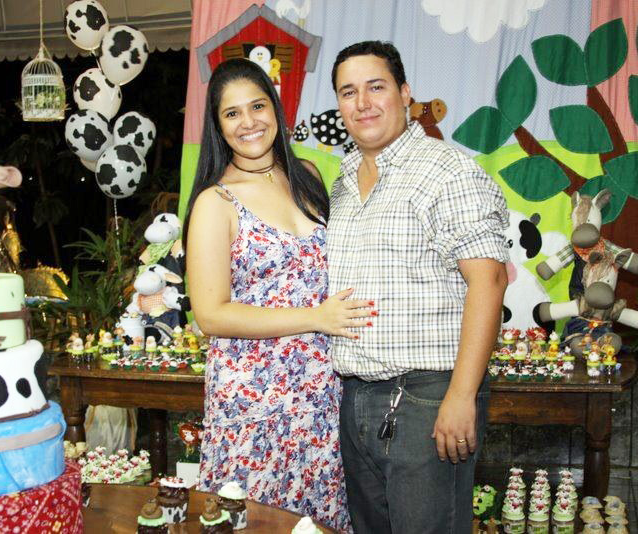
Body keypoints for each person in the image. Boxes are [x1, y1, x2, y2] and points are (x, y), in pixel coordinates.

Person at [327, 41, 510, 533]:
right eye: (348, 92)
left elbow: (490, 280)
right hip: (356, 395)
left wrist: (461, 395)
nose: (362, 103)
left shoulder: (447, 170)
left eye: (376, 87)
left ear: (406, 94)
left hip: (427, 397)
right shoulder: (342, 184)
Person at [184, 58, 374, 532]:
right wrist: (315, 317)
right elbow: (211, 315)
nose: (248, 122)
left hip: (321, 389)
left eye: (257, 106)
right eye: (232, 113)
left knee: (320, 518)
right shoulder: (215, 202)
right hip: (254, 397)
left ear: (275, 108)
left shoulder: (307, 175)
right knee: (254, 517)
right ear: (217, 126)